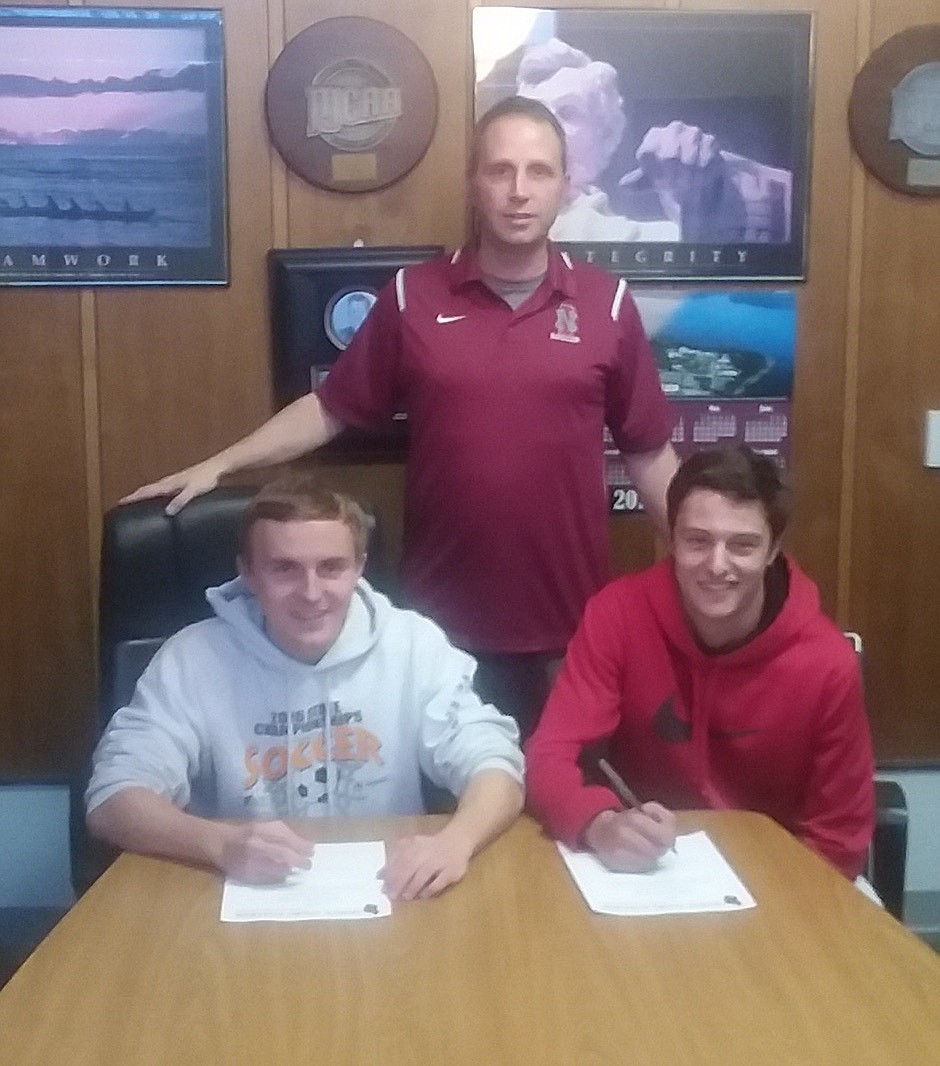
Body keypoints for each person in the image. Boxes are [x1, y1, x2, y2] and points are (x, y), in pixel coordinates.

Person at [122, 96, 680, 740]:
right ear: (473, 182)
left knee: (561, 818)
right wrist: (221, 463)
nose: (519, 192)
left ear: (567, 184)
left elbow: (648, 454)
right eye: (500, 171)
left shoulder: (607, 302)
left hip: (570, 631)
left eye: (539, 172)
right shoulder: (414, 295)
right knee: (450, 819)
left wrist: (707, 566)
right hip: (436, 635)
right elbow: (331, 408)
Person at [86, 476, 525, 901]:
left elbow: (494, 763)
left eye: (331, 568)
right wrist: (219, 844)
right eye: (285, 569)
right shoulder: (191, 659)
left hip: (387, 889)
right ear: (248, 574)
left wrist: (455, 842)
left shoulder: (413, 644)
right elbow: (114, 798)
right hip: (234, 895)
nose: (311, 593)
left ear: (359, 568)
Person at [525, 446, 875, 880]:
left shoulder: (826, 662)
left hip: (777, 878)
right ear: (671, 539)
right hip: (647, 872)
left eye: (743, 545)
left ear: (773, 551)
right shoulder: (616, 615)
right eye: (698, 541)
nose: (717, 565)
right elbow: (549, 756)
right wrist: (600, 824)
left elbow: (839, 838)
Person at [515, 37, 793, 244]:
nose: (546, 127)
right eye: (537, 112)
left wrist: (710, 191)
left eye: (568, 112)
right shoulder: (484, 223)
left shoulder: (626, 241)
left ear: (606, 138)